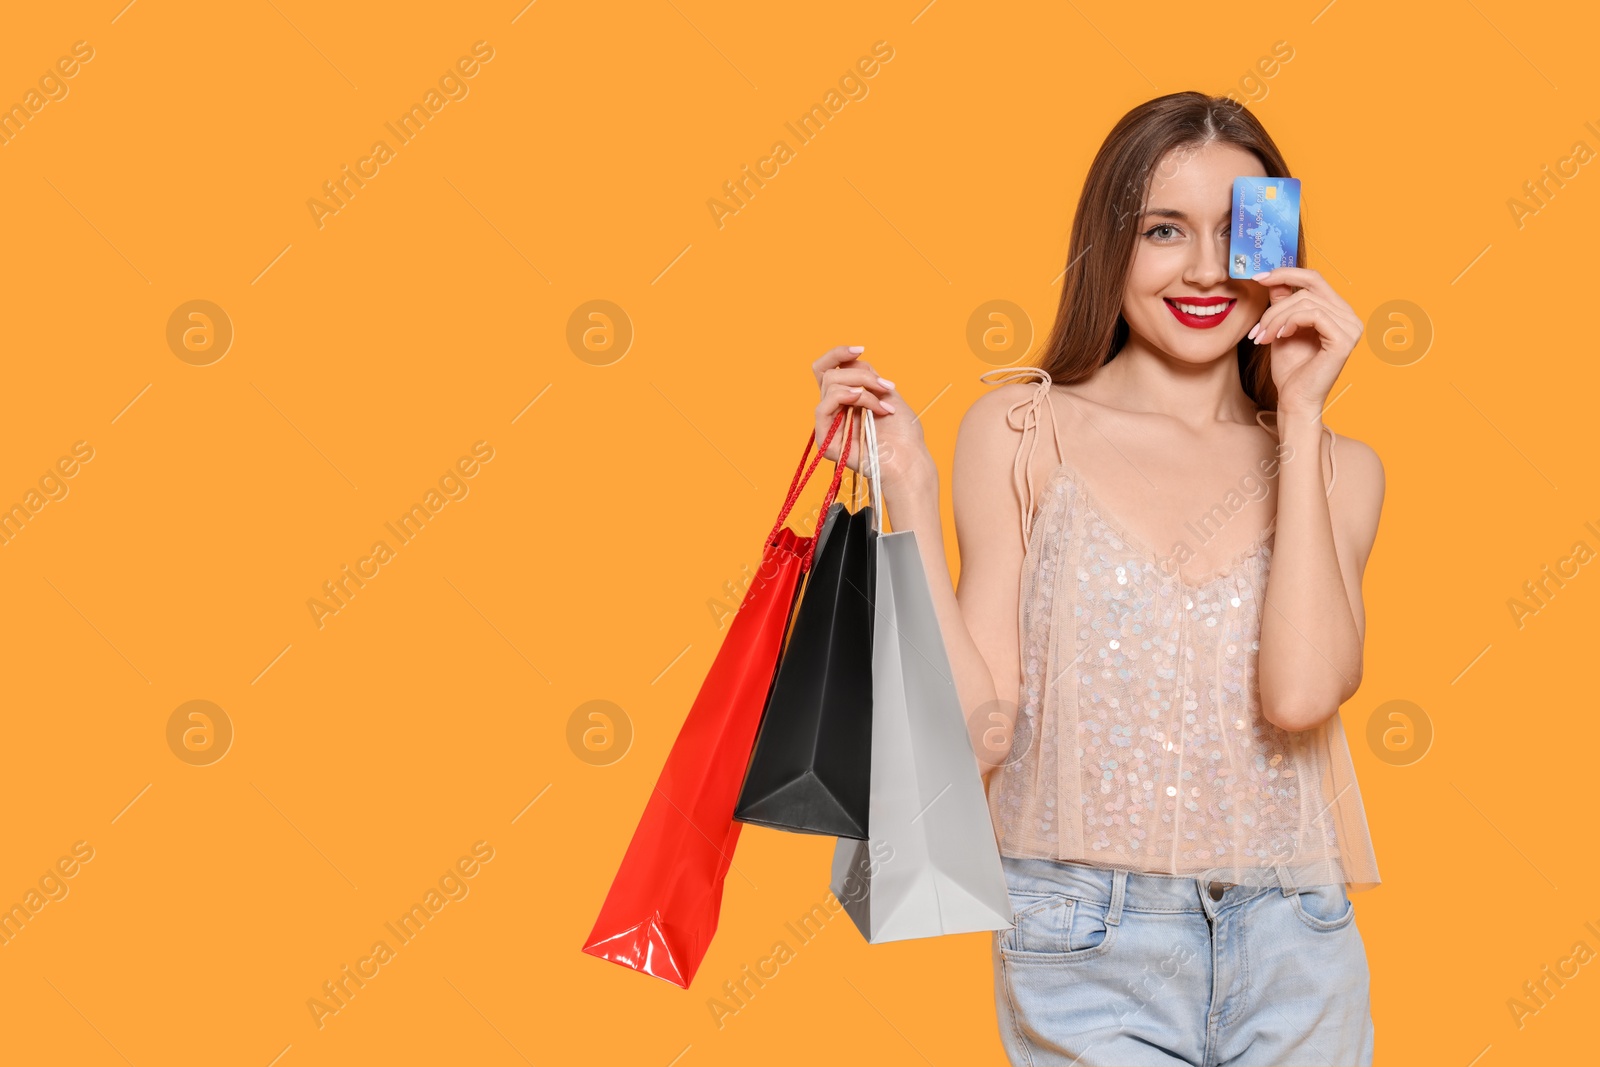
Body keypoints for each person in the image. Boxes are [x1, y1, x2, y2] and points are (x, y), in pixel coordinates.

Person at [808, 91, 1382, 1067]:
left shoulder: (1338, 465)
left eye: (1231, 232)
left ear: (1274, 250)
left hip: (1297, 933)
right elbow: (979, 725)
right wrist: (907, 487)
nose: (1203, 269)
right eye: (1164, 229)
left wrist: (1297, 416)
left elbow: (1298, 695)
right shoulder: (1020, 430)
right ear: (1108, 243)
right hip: (1081, 933)